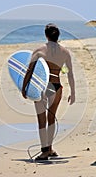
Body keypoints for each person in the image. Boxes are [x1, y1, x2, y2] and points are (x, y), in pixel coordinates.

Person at [22, 23, 75, 161]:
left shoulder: (39, 51)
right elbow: (69, 73)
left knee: (41, 120)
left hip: (43, 87)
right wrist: (73, 92)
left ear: (46, 35)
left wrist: (24, 87)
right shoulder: (65, 52)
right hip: (57, 87)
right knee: (51, 119)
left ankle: (44, 151)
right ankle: (50, 148)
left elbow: (30, 70)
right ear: (58, 36)